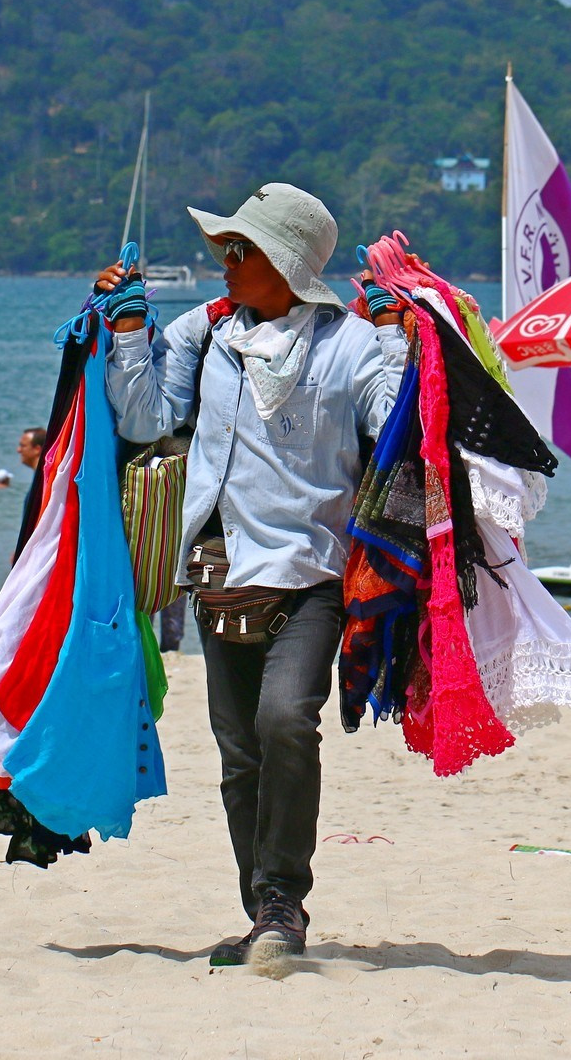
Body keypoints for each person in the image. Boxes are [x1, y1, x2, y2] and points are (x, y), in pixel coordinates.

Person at [98, 183, 407, 966]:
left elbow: (396, 420)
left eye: (241, 251)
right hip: (215, 569)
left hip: (309, 575)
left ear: (287, 264)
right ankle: (266, 911)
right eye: (224, 249)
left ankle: (281, 901)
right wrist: (130, 329)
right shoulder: (205, 338)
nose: (224, 263)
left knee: (282, 723)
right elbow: (144, 419)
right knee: (238, 755)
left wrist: (399, 335)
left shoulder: (348, 346)